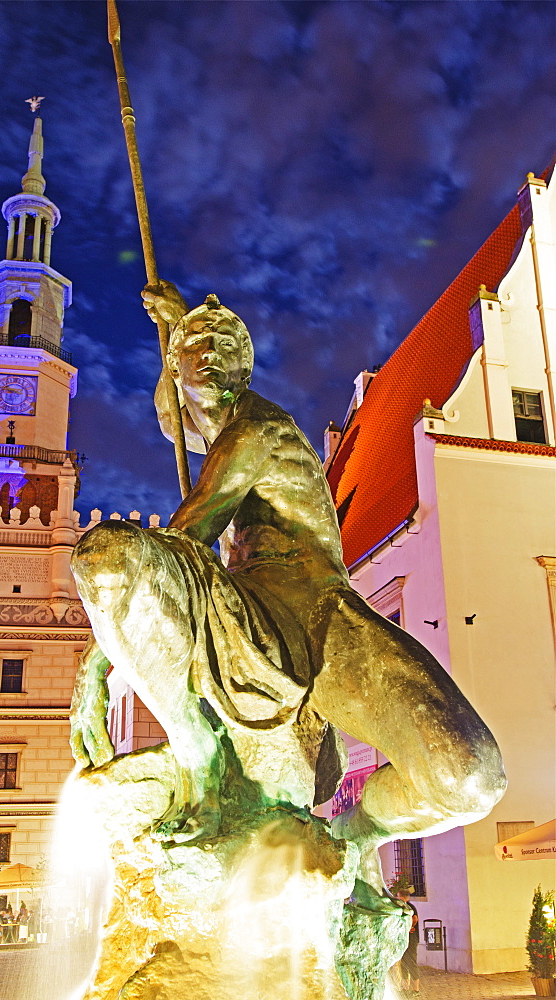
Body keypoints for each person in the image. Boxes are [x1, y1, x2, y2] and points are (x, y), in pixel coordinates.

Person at [70, 280, 506, 904]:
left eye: (225, 344)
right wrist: (173, 335)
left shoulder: (257, 430)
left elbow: (188, 536)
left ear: (245, 369)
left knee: (469, 776)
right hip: (251, 607)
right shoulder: (213, 428)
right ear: (178, 365)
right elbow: (177, 422)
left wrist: (96, 666)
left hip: (323, 612)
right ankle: (199, 754)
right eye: (198, 347)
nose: (210, 351)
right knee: (113, 556)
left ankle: (354, 836)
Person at [395, 888, 420, 995]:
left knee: (412, 963)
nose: (396, 898)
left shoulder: (410, 907)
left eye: (398, 896)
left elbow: (415, 918)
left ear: (402, 897)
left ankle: (416, 989)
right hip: (404, 939)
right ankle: (405, 988)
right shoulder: (403, 907)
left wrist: (411, 927)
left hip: (411, 939)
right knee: (404, 963)